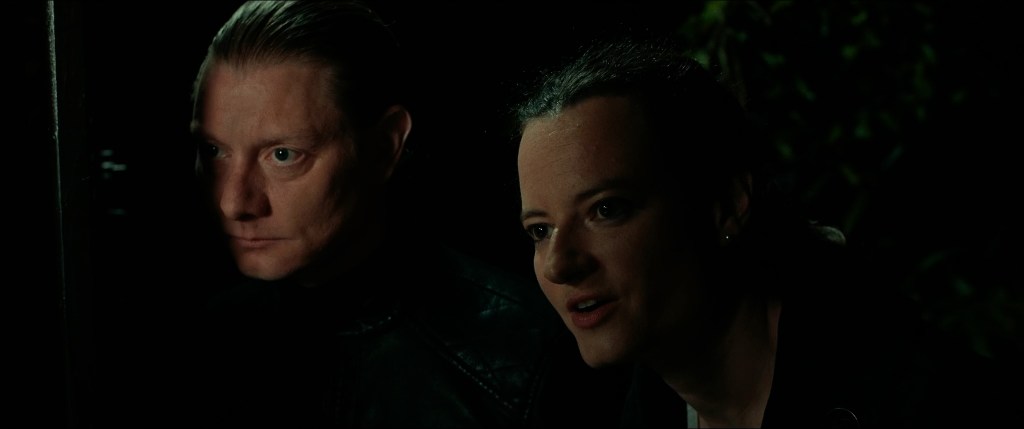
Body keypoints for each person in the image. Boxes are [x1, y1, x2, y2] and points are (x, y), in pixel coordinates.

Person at [513, 35, 1019, 428]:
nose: (559, 264)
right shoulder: (632, 412)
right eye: (540, 230)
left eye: (606, 209)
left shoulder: (925, 396)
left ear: (725, 206)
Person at [175, 1, 628, 427]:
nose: (234, 203)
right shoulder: (197, 343)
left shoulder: (529, 354)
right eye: (214, 151)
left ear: (386, 145)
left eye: (283, 155)